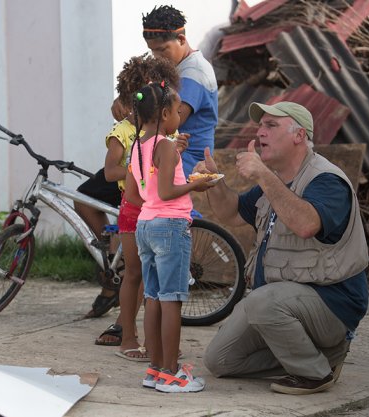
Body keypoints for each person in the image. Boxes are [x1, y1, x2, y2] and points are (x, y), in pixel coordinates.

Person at [197, 101, 369, 395]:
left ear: (299, 135)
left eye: (271, 125)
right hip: (283, 301)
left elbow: (306, 224)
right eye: (260, 125)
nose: (260, 131)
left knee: (260, 302)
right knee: (220, 360)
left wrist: (263, 175)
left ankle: (314, 374)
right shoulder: (276, 181)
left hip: (332, 305)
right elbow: (232, 213)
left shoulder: (326, 180)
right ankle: (319, 358)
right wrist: (213, 181)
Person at [123, 81, 213, 392]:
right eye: (176, 111)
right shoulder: (163, 145)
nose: (179, 116)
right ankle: (173, 372)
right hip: (171, 227)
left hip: (146, 226)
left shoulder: (138, 145)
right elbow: (167, 191)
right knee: (172, 299)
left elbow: (135, 193)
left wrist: (173, 157)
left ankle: (155, 370)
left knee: (153, 298)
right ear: (163, 113)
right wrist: (195, 186)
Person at [92, 56, 182, 363]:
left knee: (149, 280)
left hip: (146, 210)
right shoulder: (128, 133)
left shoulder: (159, 136)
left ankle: (158, 344)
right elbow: (119, 175)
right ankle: (129, 337)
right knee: (136, 274)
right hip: (139, 209)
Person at [139, 5, 218, 178]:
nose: (156, 56)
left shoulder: (193, 72)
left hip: (188, 158)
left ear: (181, 39)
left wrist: (134, 115)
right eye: (152, 50)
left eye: (161, 50)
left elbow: (168, 121)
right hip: (169, 152)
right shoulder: (175, 67)